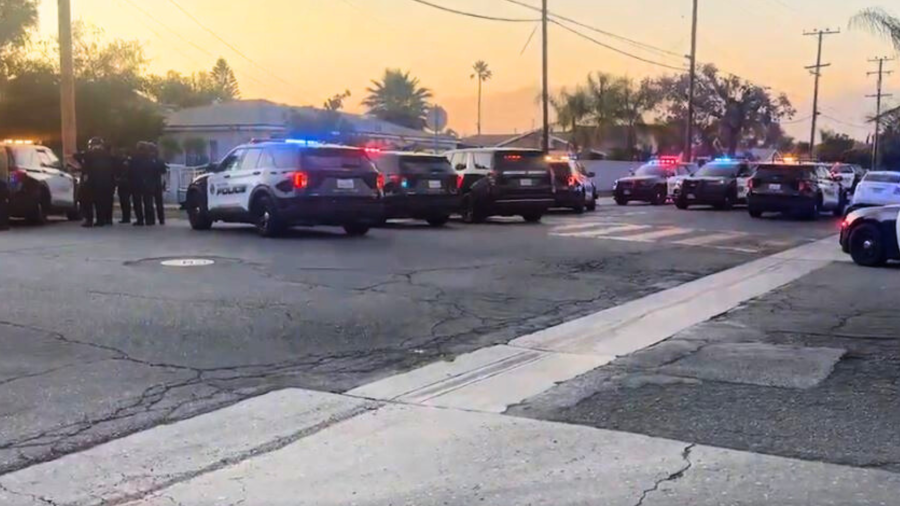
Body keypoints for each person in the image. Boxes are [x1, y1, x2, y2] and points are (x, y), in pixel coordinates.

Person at [74, 137, 116, 227]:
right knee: (101, 202)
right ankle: (101, 220)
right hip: (105, 183)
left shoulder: (89, 154)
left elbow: (76, 156)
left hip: (90, 182)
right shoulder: (108, 155)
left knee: (86, 201)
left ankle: (89, 220)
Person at [129, 142, 157, 227]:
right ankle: (150, 220)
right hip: (148, 183)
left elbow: (130, 171)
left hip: (137, 183)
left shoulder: (134, 159)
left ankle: (140, 220)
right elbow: (154, 171)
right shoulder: (150, 159)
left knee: (137, 203)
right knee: (148, 202)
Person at [149, 144, 168, 226]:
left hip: (151, 183)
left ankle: (152, 219)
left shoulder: (148, 160)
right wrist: (164, 183)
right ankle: (161, 219)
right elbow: (164, 173)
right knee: (158, 203)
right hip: (157, 183)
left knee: (150, 202)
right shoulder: (160, 161)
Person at [113, 148, 133, 224]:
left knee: (124, 201)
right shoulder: (130, 161)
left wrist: (118, 179)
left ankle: (126, 217)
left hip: (124, 183)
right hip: (128, 183)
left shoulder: (122, 162)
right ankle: (126, 217)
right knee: (125, 201)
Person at [0, 145, 9, 231]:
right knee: (3, 203)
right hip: (3, 180)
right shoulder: (3, 150)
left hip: (1, 180)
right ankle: (3, 224)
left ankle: (2, 224)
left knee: (2, 203)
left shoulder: (1, 151)